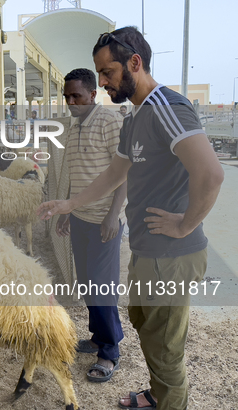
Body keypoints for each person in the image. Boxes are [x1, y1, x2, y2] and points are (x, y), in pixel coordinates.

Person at [38, 26, 224, 410]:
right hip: (147, 250)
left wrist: (184, 224)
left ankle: (168, 401)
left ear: (134, 63)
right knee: (145, 325)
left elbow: (211, 174)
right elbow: (113, 175)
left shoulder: (166, 108)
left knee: (165, 346)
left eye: (107, 72)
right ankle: (157, 395)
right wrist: (70, 205)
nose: (102, 81)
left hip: (171, 254)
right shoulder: (136, 117)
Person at [58, 68, 126, 383]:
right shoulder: (73, 129)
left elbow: (124, 172)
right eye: (67, 97)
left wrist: (113, 214)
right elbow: (76, 177)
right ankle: (99, 335)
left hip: (104, 222)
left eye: (77, 96)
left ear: (92, 95)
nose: (72, 102)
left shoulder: (110, 122)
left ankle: (109, 352)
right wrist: (67, 211)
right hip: (82, 220)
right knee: (87, 284)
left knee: (102, 286)